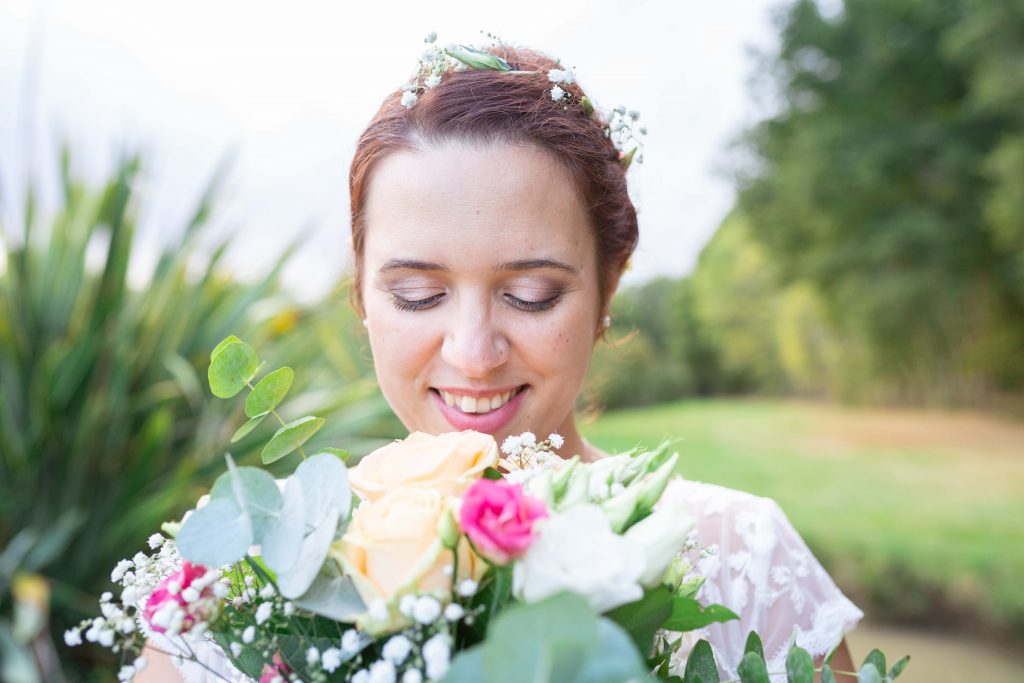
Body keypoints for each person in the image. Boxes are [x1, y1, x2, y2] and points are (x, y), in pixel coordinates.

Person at [141, 38, 862, 682]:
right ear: (360, 294)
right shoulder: (232, 590)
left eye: (531, 293)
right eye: (419, 295)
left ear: (608, 286)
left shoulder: (746, 560)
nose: (473, 353)